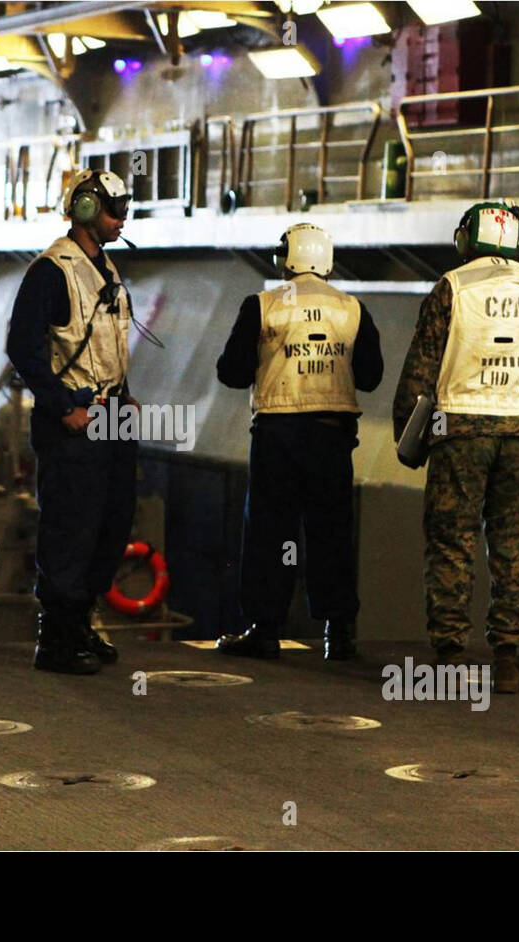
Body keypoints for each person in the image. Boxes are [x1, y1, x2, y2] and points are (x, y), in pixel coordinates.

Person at [392, 201, 519, 693]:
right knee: (515, 543)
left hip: (460, 433)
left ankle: (452, 653)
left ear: (466, 240)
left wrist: (406, 436)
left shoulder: (451, 288)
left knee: (453, 539)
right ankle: (508, 659)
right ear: (517, 242)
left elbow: (421, 372)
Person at [214, 222, 383, 660]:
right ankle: (338, 632)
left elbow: (230, 372)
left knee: (269, 533)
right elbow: (371, 376)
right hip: (332, 437)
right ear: (327, 260)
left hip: (277, 435)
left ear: (284, 258)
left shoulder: (263, 305)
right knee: (332, 532)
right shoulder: (351, 309)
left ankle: (265, 630)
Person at [5, 168, 138, 674]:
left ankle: (81, 623)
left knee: (111, 523)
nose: (121, 218)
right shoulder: (52, 271)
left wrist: (127, 396)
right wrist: (64, 406)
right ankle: (56, 641)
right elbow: (23, 347)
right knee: (70, 528)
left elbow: (110, 341)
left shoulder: (106, 267)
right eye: (112, 209)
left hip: (113, 415)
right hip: (75, 420)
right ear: (84, 210)